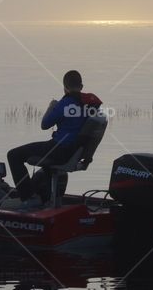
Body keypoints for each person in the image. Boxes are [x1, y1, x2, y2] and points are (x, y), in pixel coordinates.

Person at [7, 70, 103, 206]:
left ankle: (29, 199)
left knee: (13, 155)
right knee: (44, 160)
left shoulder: (65, 104)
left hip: (59, 149)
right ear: (81, 87)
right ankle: (50, 200)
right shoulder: (91, 106)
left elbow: (44, 125)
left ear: (65, 88)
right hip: (74, 151)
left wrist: (51, 107)